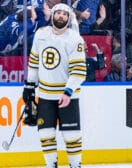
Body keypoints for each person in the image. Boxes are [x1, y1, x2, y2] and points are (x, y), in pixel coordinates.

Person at [22, 3, 86, 168]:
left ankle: (75, 165)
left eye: (64, 14)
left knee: (71, 135)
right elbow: (34, 62)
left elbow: (79, 71)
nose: (61, 16)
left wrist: (68, 91)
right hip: (45, 94)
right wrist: (29, 85)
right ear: (52, 15)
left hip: (67, 96)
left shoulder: (75, 39)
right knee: (45, 133)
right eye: (58, 13)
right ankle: (51, 165)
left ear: (68, 18)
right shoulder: (41, 34)